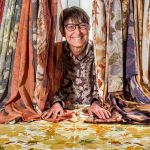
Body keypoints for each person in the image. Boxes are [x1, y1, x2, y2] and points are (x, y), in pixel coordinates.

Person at [42, 6, 111, 120]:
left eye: (82, 26)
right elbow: (48, 84)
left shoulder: (99, 52)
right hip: (62, 111)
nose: (77, 32)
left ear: (89, 29)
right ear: (62, 31)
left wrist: (96, 103)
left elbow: (101, 85)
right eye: (70, 27)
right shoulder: (54, 52)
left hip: (90, 111)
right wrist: (55, 103)